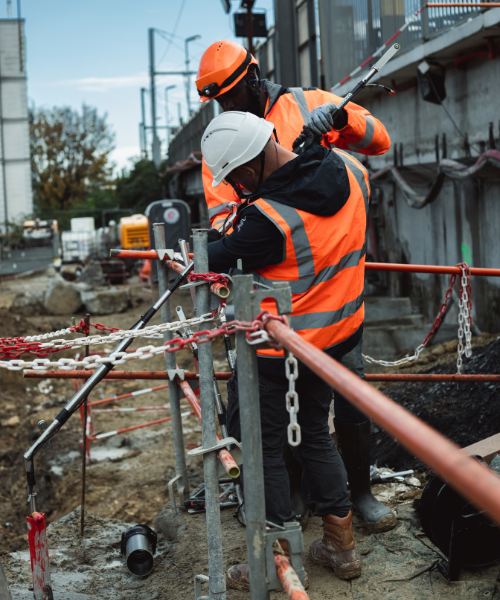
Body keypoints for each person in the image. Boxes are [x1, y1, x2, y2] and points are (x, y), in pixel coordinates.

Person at [197, 39, 396, 533]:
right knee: (297, 423)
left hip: (332, 303)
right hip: (277, 306)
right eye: (218, 100)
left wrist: (340, 123)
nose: (227, 106)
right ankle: (313, 503)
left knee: (344, 406)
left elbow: (379, 141)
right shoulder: (223, 139)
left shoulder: (310, 103)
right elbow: (233, 233)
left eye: (231, 94)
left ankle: (358, 493)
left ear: (253, 76)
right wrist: (279, 193)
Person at [202, 110, 371, 589]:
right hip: (336, 339)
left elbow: (213, 258)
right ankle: (341, 547)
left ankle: (275, 561)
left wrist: (186, 249)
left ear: (252, 165)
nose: (235, 188)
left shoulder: (268, 219)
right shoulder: (348, 170)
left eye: (235, 177)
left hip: (281, 349)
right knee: (316, 432)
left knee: (259, 449)